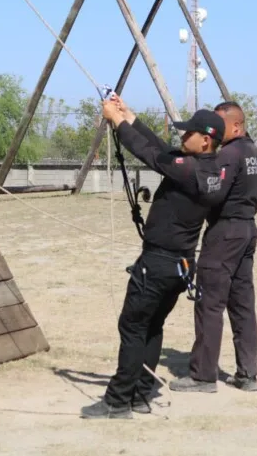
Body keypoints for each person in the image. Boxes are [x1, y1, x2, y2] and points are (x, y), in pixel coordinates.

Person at [80, 94, 226, 419]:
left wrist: (116, 122)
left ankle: (117, 401)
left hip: (159, 263)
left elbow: (149, 154)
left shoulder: (189, 171)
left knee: (132, 326)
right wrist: (129, 116)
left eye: (189, 133)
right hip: (180, 264)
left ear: (205, 141)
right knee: (152, 326)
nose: (182, 136)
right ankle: (141, 394)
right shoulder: (209, 169)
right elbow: (162, 149)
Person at [169, 101, 257, 394]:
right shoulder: (256, 155)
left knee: (209, 303)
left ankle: (203, 376)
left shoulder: (230, 154)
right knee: (243, 305)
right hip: (248, 229)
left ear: (236, 126)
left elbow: (214, 192)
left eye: (221, 125)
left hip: (225, 233)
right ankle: (247, 374)